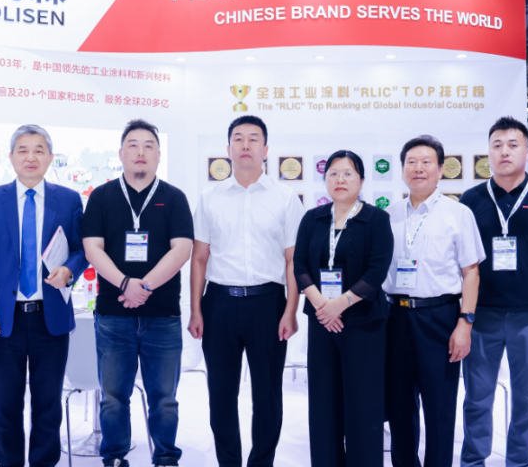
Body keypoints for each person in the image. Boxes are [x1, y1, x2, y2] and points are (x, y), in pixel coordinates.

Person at [189, 115, 304, 467]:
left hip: (268, 304)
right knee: (221, 394)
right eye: (238, 138)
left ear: (266, 150)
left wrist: (290, 310)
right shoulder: (209, 198)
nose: (245, 145)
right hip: (219, 304)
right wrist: (195, 310)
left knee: (267, 395)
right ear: (228, 149)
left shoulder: (286, 198)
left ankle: (261, 462)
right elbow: (199, 259)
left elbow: (293, 261)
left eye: (254, 139)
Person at [0, 125, 86, 467]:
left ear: (50, 158)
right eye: (23, 150)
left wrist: (69, 270)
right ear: (11, 157)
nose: (31, 157)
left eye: (39, 150)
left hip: (50, 318)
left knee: (48, 404)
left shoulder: (68, 199)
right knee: (6, 404)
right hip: (4, 320)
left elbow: (81, 249)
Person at [458, 117, 528, 467]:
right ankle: (473, 460)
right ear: (488, 153)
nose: (504, 151)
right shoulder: (471, 198)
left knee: (527, 400)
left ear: (526, 151)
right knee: (477, 398)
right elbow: (463, 259)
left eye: (512, 144)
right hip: (482, 316)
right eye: (497, 145)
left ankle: (520, 462)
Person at [83, 120, 194, 467]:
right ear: (121, 153)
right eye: (133, 145)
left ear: (159, 154)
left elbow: (182, 249)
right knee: (113, 398)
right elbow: (92, 248)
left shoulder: (174, 198)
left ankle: (166, 458)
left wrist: (143, 287)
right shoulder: (101, 197)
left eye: (149, 145)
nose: (140, 151)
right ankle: (115, 457)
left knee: (165, 399)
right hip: (113, 315)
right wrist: (124, 284)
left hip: (162, 315)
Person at [383, 136, 485, 467]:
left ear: (441, 169)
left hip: (440, 318)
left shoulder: (459, 213)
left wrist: (465, 323)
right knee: (399, 406)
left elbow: (471, 273)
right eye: (411, 162)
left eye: (427, 162)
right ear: (402, 169)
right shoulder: (388, 215)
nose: (418, 168)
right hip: (395, 318)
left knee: (440, 407)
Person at [293, 150, 394, 467]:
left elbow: (377, 271)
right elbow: (300, 266)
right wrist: (323, 306)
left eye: (348, 173)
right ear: (325, 180)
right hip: (322, 323)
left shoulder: (376, 219)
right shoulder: (313, 219)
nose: (340, 179)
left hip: (364, 325)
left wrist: (339, 304)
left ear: (361, 181)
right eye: (333, 173)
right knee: (324, 403)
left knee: (363, 405)